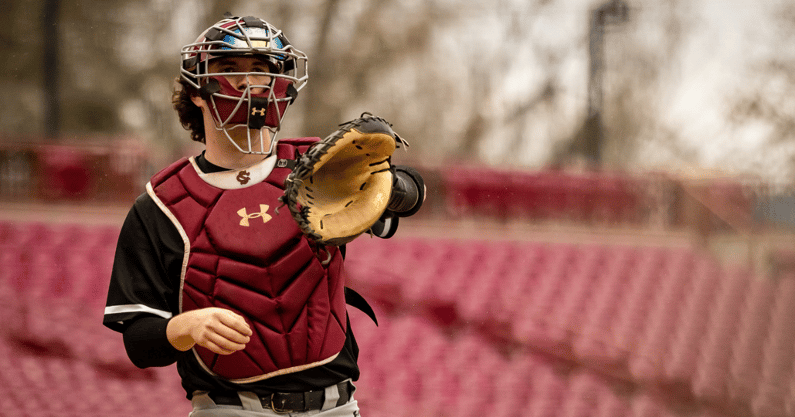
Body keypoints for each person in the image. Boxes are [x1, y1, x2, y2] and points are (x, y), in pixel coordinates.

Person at [103, 14, 424, 416]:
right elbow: (139, 342)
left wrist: (390, 187)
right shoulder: (161, 204)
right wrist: (182, 327)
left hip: (336, 407)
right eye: (229, 68)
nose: (250, 82)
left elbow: (410, 196)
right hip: (228, 409)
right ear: (198, 90)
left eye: (263, 70)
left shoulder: (318, 166)